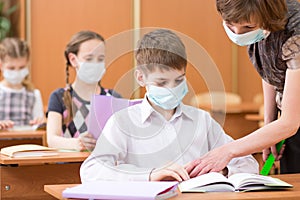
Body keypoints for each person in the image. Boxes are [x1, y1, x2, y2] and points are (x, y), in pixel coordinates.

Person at [80, 29, 258, 182]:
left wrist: (222, 170)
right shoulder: (123, 121)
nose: (172, 89)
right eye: (162, 83)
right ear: (141, 78)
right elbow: (91, 171)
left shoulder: (202, 120)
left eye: (179, 80)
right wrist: (149, 175)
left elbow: (248, 164)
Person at [185, 0, 300, 176]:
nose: (238, 33)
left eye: (248, 27)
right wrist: (269, 125)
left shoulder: (296, 33)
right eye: (230, 25)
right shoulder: (259, 28)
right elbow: (270, 70)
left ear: (267, 18)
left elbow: (290, 122)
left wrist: (227, 151)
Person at [46, 30, 121, 151]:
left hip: (104, 164)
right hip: (66, 166)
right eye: (89, 58)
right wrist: (77, 143)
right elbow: (52, 139)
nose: (95, 64)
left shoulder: (113, 97)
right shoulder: (59, 96)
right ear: (73, 59)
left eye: (100, 59)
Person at [0, 37, 44, 128]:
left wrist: (40, 123)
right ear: (1, 65)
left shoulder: (34, 94)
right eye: (11, 68)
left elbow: (39, 126)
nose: (16, 72)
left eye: (21, 67)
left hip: (27, 141)